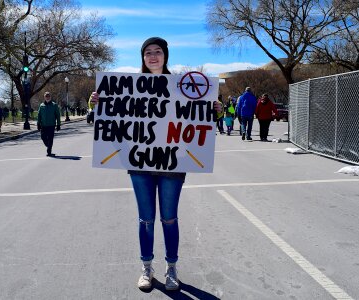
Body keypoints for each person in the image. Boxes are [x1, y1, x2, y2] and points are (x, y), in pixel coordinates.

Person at [90, 37, 221, 291]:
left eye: (157, 52)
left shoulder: (182, 87)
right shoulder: (127, 87)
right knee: (146, 219)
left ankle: (171, 268)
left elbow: (199, 121)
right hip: (140, 164)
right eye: (147, 52)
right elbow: (107, 117)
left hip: (173, 165)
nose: (152, 56)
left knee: (169, 218)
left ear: (165, 56)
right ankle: (146, 267)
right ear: (142, 57)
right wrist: (95, 102)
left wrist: (215, 109)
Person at [37, 92, 61, 156]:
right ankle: (48, 146)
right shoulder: (41, 105)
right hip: (43, 125)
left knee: (50, 138)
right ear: (44, 97)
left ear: (50, 97)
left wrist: (58, 124)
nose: (47, 97)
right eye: (46, 96)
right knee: (43, 137)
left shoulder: (54, 105)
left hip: (51, 125)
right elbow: (39, 115)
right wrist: (38, 124)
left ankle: (49, 151)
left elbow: (58, 115)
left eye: (48, 96)